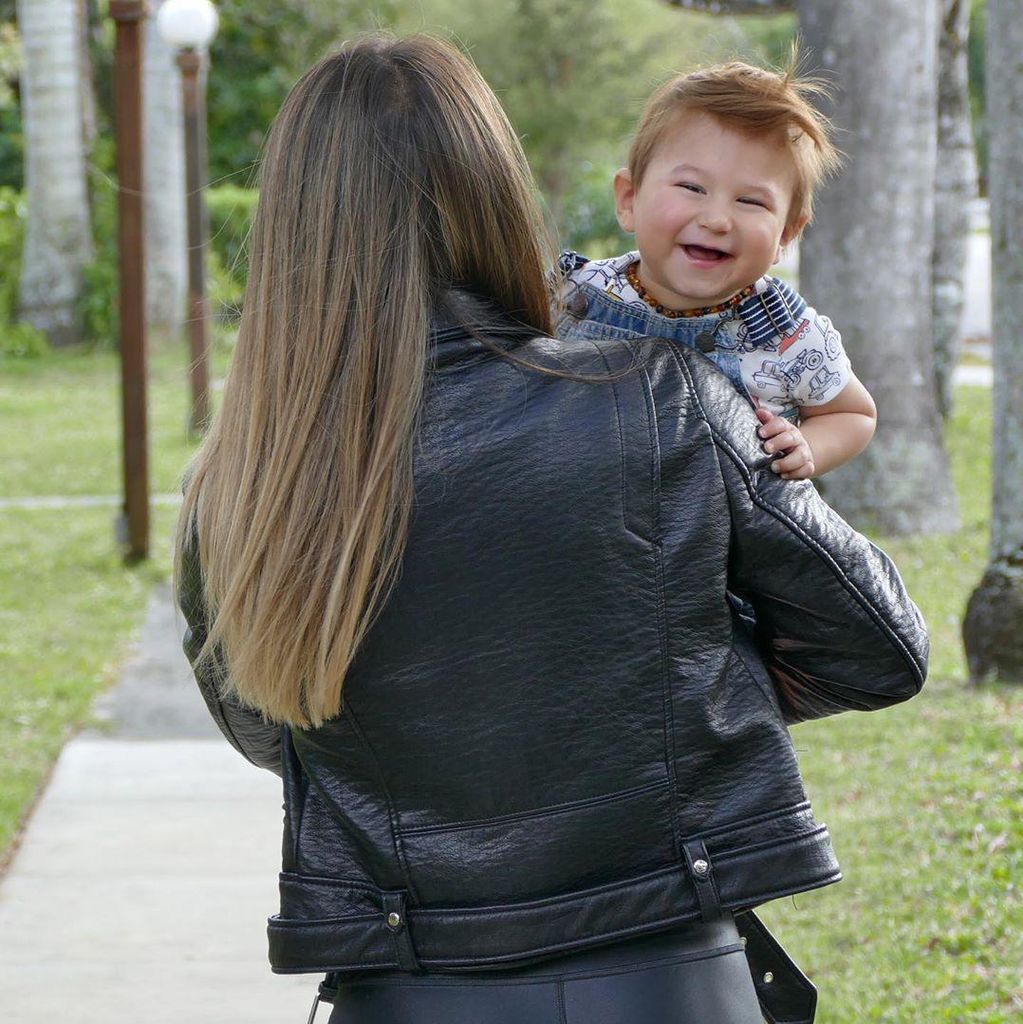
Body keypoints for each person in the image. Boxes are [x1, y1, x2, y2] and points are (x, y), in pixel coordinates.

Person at [175, 33, 928, 1024]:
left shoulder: (237, 489)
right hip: (665, 977)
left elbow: (285, 737)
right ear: (496, 187)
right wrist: (654, 670)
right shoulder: (672, 396)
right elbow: (877, 650)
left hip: (408, 985)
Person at [557, 58, 877, 481]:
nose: (716, 219)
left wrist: (808, 446)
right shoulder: (573, 295)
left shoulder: (789, 337)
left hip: (722, 535)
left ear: (786, 233)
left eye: (751, 201)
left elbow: (854, 413)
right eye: (692, 188)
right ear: (629, 199)